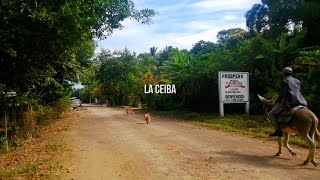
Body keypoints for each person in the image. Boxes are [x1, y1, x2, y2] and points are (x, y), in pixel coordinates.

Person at [268, 67, 308, 137]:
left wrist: (278, 100)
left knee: (271, 114)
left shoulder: (285, 81)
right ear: (291, 73)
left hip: (289, 103)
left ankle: (277, 131)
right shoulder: (297, 81)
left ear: (283, 74)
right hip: (301, 102)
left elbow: (283, 94)